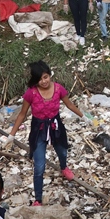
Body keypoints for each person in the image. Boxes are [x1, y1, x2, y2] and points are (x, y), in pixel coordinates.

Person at [8, 61, 84, 206]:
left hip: (55, 125)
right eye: (39, 79)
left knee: (62, 151)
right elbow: (22, 114)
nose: (43, 81)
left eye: (45, 77)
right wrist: (12, 135)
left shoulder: (58, 89)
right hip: (39, 129)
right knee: (39, 166)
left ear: (49, 75)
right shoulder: (31, 93)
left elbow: (69, 104)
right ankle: (38, 198)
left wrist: (83, 116)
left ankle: (63, 167)